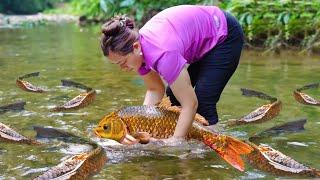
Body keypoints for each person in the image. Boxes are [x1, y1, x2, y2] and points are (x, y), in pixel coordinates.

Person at [100, 5, 244, 144]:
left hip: (224, 34)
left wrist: (175, 143)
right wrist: (139, 128)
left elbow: (191, 104)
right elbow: (155, 90)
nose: (123, 68)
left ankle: (215, 147)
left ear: (136, 47)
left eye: (122, 62)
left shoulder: (163, 55)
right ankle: (191, 137)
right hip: (201, 40)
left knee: (203, 101)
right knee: (173, 99)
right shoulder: (138, 52)